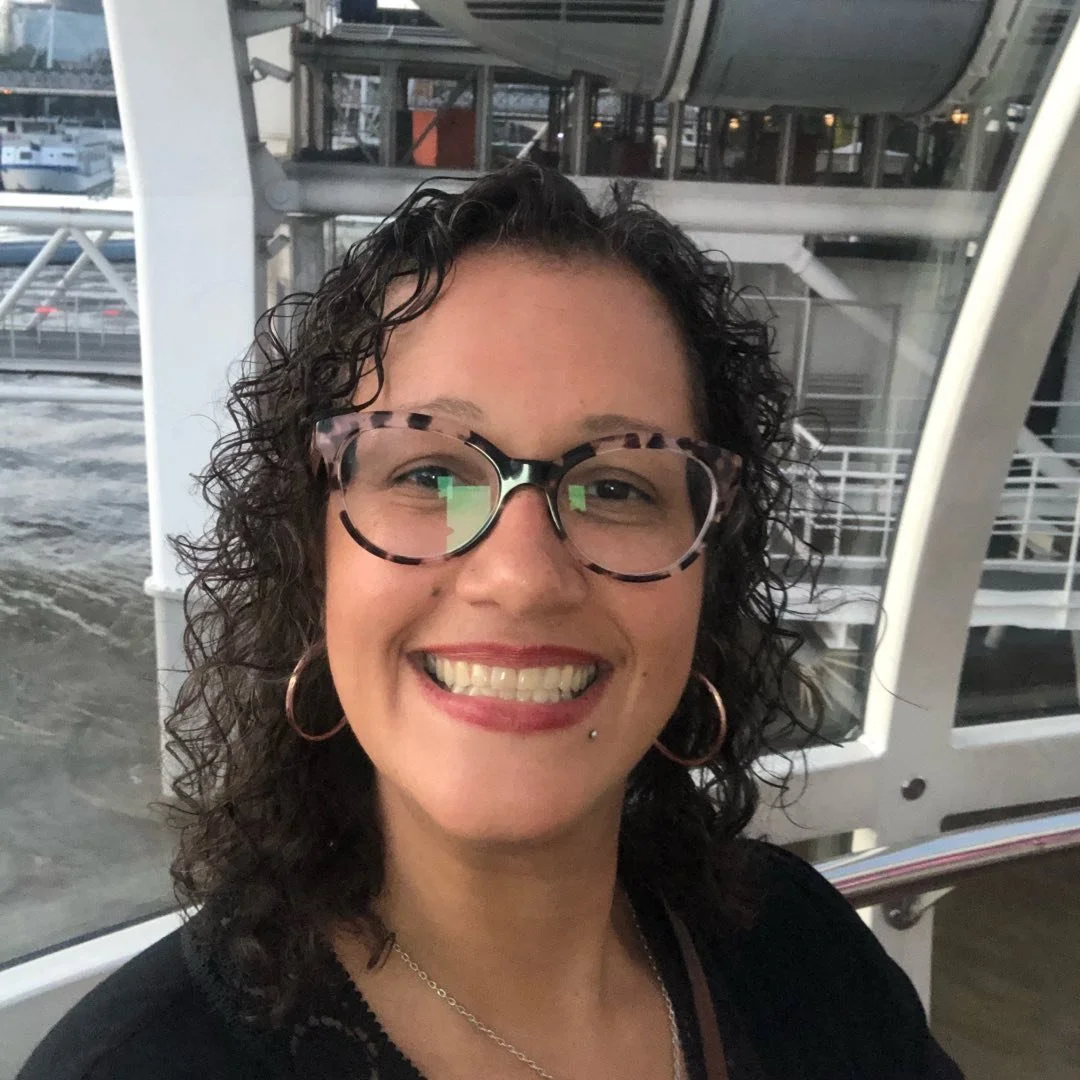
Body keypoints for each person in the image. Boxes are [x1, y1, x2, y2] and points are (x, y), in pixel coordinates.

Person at [18, 162, 963, 1080]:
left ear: (706, 577)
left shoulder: (800, 960)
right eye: (428, 474)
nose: (521, 577)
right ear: (314, 561)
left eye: (617, 486)